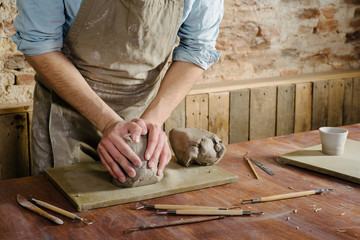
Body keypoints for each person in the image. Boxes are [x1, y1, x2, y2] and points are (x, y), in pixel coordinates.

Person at [12, 0, 224, 183]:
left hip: (147, 112)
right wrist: (108, 122)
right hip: (66, 116)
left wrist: (151, 122)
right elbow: (40, 45)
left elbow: (197, 49)